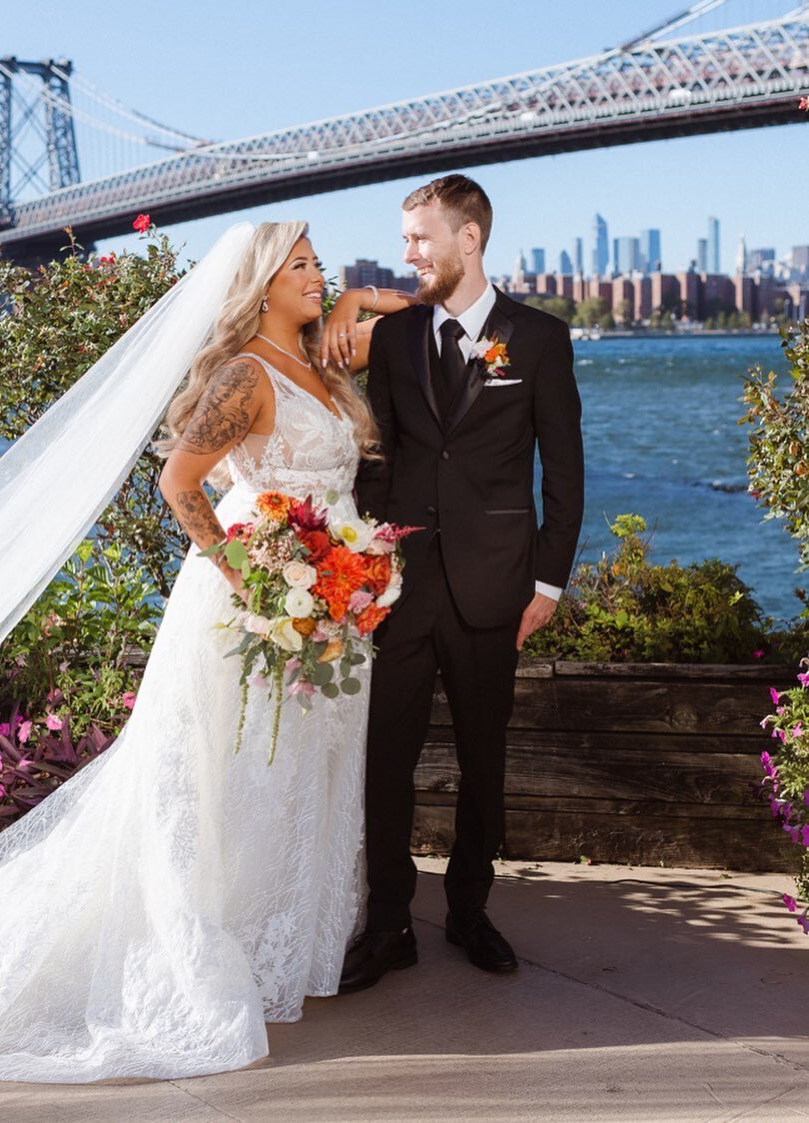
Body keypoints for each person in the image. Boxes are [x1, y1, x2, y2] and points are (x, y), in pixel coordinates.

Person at [0, 221, 410, 1082]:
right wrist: (250, 580)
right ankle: (219, 941)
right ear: (259, 285)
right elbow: (179, 483)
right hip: (254, 607)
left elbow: (428, 314)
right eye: (301, 267)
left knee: (303, 770)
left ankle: (284, 941)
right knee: (241, 770)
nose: (318, 278)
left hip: (329, 604)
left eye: (320, 265)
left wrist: (362, 298)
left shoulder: (321, 363)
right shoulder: (242, 373)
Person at [334, 175, 585, 992]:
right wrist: (370, 564)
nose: (409, 254)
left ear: (468, 239)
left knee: (484, 755)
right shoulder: (399, 338)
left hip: (495, 588)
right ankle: (390, 922)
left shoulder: (539, 337)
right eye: (405, 240)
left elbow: (565, 473)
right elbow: (384, 458)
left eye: (420, 239)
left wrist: (546, 583)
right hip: (403, 588)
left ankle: (472, 910)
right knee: (386, 758)